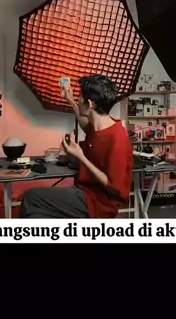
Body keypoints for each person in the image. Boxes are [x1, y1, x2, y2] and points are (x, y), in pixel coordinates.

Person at [20, 75, 133, 219]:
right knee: (36, 217)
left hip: (98, 203)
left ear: (90, 104)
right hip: (86, 193)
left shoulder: (118, 138)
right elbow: (86, 126)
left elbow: (114, 187)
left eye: (80, 98)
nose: (78, 101)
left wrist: (81, 157)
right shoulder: (98, 128)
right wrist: (71, 100)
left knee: (31, 198)